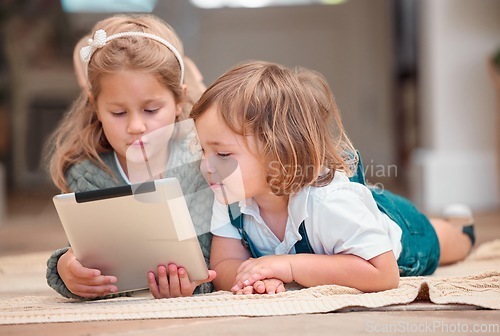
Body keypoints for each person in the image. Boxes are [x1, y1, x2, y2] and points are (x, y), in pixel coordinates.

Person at [190, 61, 475, 295]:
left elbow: (383, 273)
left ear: (280, 152)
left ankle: (462, 230)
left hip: (399, 233)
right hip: (350, 222)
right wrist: (254, 280)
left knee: (437, 239)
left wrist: (288, 267)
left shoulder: (329, 203)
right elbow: (225, 263)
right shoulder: (229, 194)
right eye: (203, 151)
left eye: (223, 155)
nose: (207, 166)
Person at [45, 14, 216, 300]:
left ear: (178, 102)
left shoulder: (201, 162)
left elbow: (220, 255)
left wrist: (197, 282)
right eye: (119, 113)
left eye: (151, 110)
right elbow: (89, 253)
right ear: (96, 108)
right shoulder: (89, 171)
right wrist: (67, 268)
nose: (136, 126)